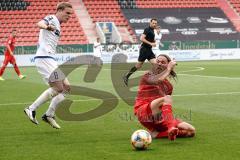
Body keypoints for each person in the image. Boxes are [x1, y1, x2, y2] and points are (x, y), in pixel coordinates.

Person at [24, 2, 73, 129]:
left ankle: (49, 115)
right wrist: (46, 27)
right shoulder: (53, 18)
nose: (69, 16)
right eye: (67, 13)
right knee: (58, 88)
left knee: (67, 86)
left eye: (71, 14)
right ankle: (31, 108)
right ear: (60, 10)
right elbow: (39, 23)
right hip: (44, 58)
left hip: (50, 59)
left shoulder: (59, 25)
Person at [134, 54, 195, 141]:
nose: (159, 64)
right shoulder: (148, 75)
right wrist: (168, 69)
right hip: (143, 111)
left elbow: (165, 106)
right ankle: (171, 127)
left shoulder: (169, 86)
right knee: (167, 98)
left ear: (167, 64)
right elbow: (158, 80)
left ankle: (156, 134)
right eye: (157, 61)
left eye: (163, 62)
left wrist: (167, 120)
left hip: (157, 116)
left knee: (190, 131)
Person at [123, 18, 158, 86]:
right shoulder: (147, 29)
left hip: (149, 50)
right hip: (144, 50)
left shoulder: (153, 30)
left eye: (155, 23)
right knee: (138, 66)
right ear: (150, 23)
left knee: (156, 64)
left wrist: (153, 42)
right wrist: (151, 43)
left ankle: (153, 80)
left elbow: (149, 38)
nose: (154, 24)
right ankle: (126, 76)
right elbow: (141, 38)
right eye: (153, 23)